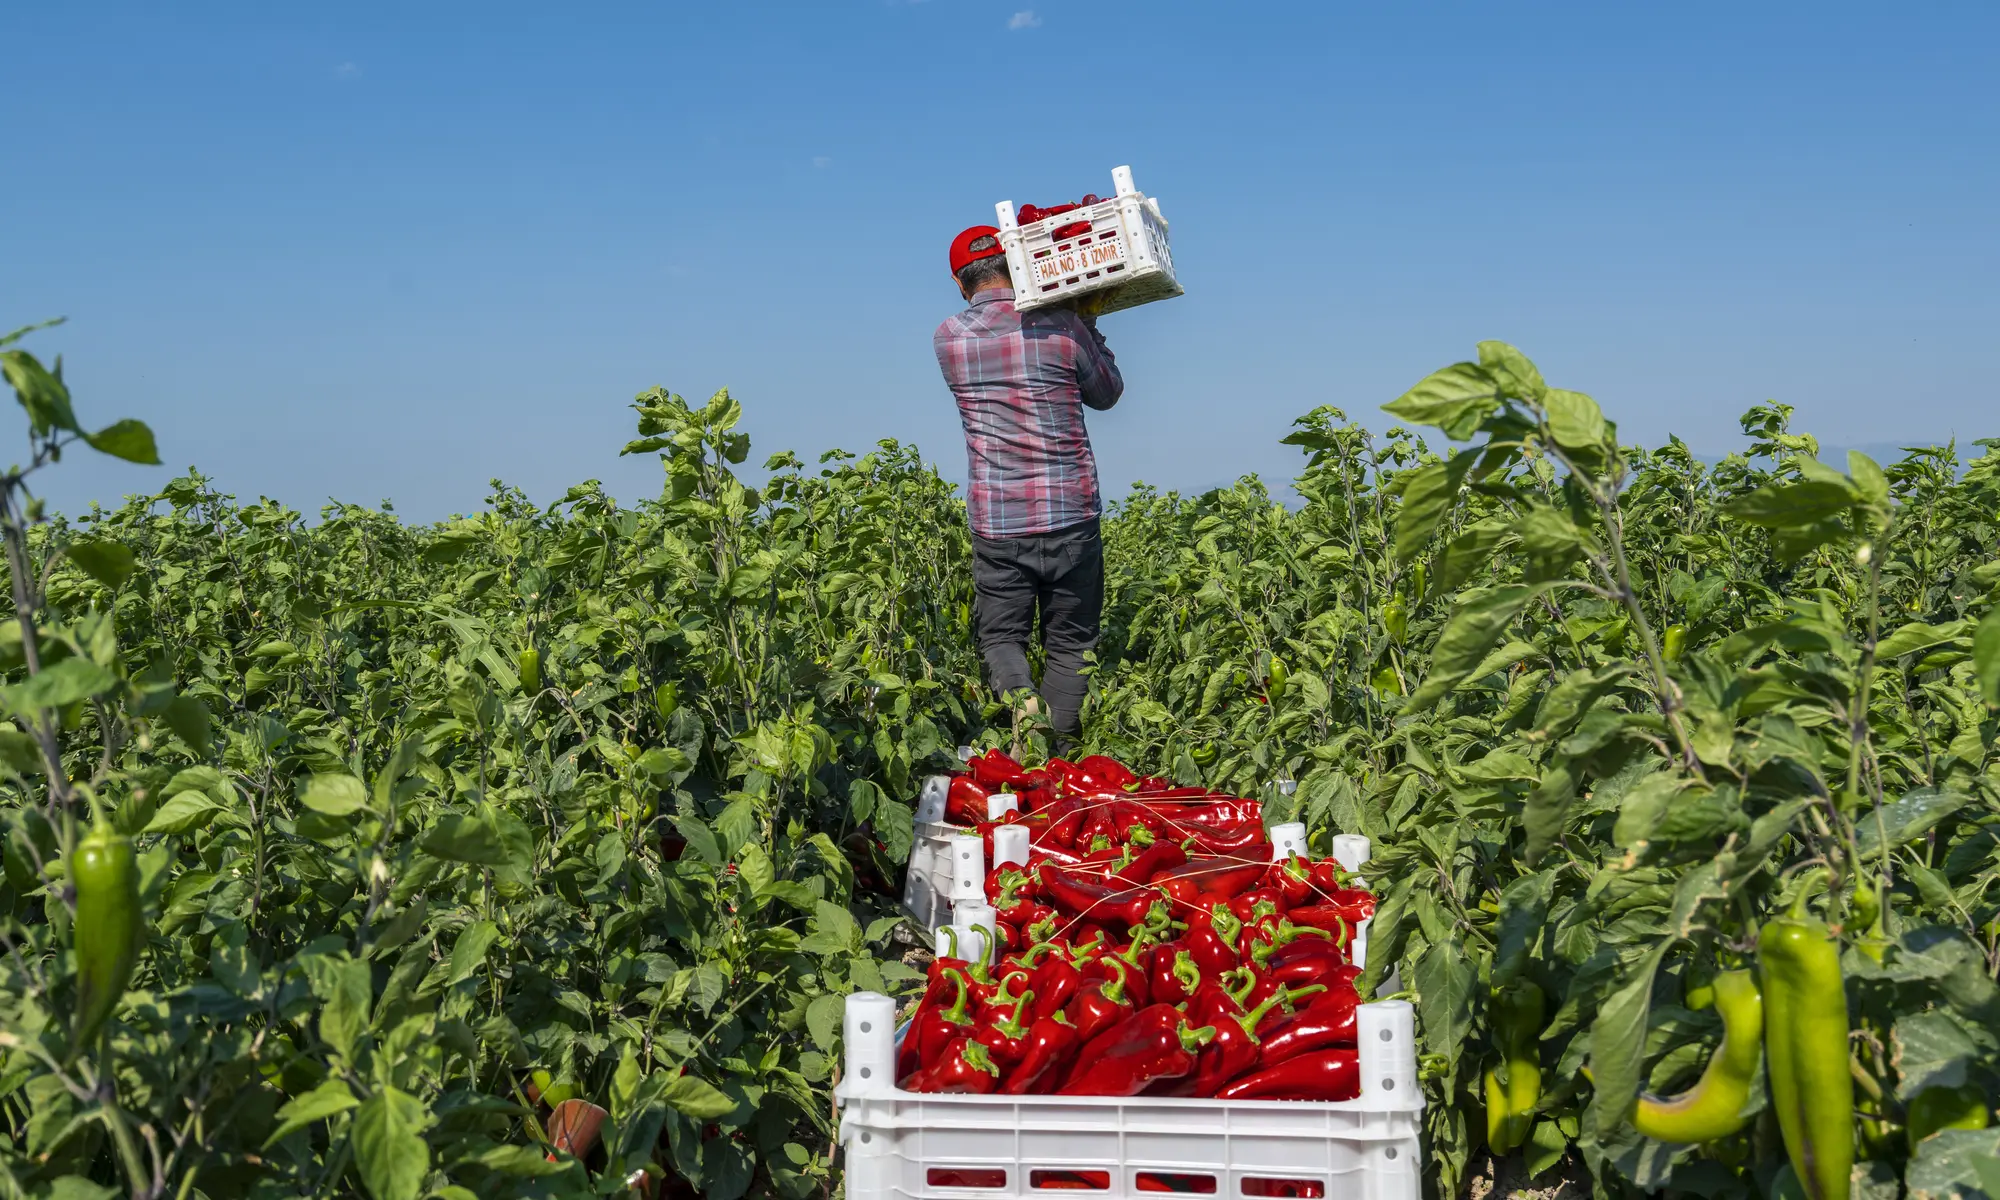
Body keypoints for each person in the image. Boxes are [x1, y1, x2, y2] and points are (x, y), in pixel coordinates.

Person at [933, 224, 1123, 748]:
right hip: (1070, 512)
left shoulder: (948, 338)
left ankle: (1023, 711)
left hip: (999, 520)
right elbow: (1107, 394)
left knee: (1001, 638)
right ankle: (1059, 760)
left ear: (959, 282)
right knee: (1071, 643)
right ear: (1021, 265)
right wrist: (1089, 322)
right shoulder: (1062, 326)